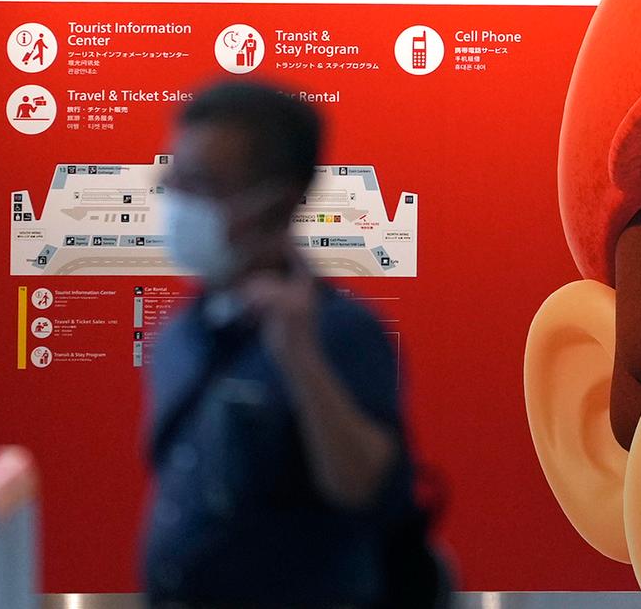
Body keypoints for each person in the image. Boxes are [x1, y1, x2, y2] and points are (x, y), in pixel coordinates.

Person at [143, 82, 432, 607]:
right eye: (173, 178)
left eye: (201, 184)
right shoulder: (185, 331)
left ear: (275, 204)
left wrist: (300, 358)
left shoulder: (340, 332)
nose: (177, 199)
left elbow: (363, 485)